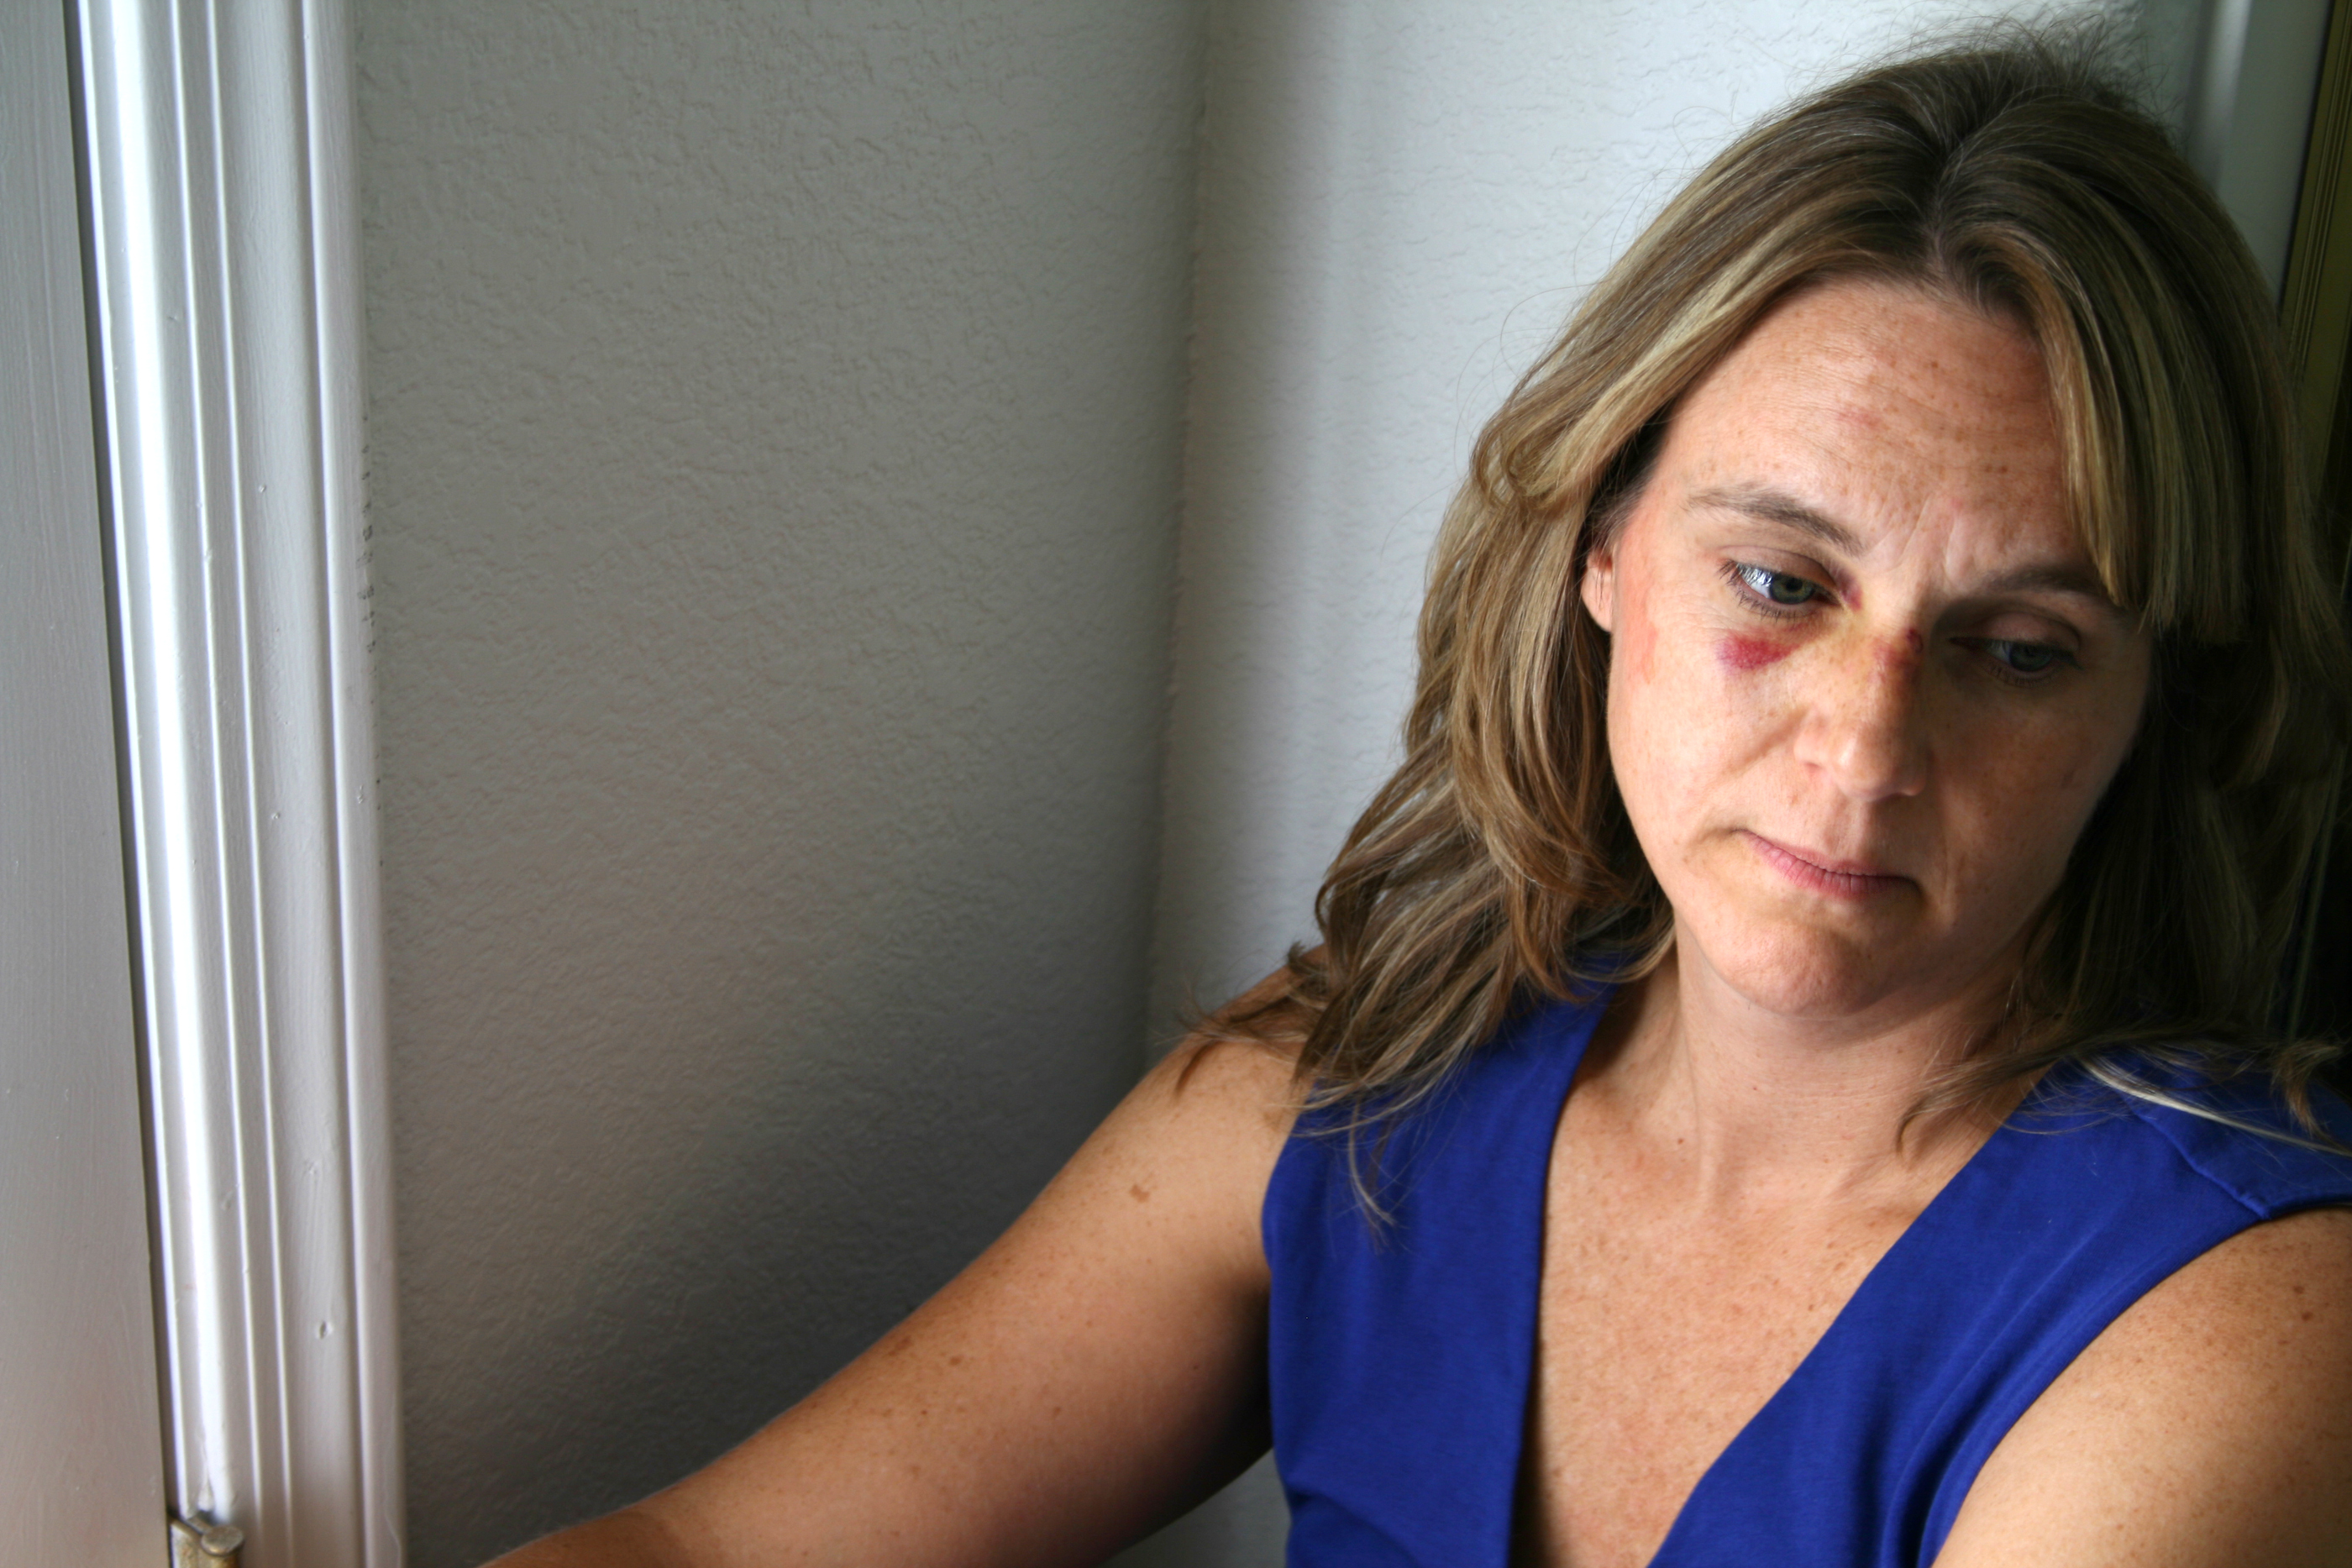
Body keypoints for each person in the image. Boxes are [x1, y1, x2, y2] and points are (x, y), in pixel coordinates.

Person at [491, 25, 2352, 1568]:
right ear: (1603, 545)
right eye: (1780, 585)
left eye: (2018, 650)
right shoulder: (1374, 1073)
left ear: (2150, 705)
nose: (1863, 749)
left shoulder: (2240, 1320)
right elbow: (705, 1548)